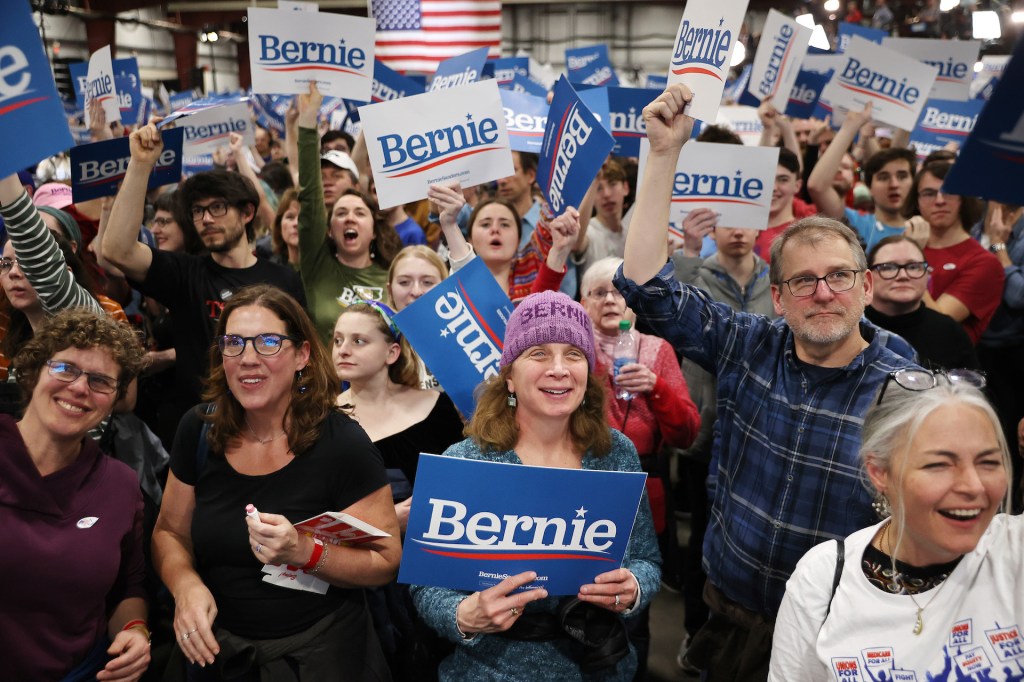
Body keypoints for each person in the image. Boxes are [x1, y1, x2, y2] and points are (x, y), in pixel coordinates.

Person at [616, 84, 918, 680]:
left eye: (839, 276)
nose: (823, 292)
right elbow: (647, 282)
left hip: (845, 626)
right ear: (776, 298)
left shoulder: (907, 388)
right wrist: (663, 157)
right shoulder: (749, 341)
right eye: (803, 282)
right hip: (732, 614)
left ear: (866, 286)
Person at [151, 284, 401, 679]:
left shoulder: (342, 444)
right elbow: (169, 532)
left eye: (268, 342)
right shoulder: (199, 430)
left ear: (302, 355)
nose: (248, 359)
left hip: (321, 656)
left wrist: (304, 552)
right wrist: (185, 586)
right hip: (216, 655)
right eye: (234, 343)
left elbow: (385, 562)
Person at [410, 290, 661, 680]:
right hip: (488, 671)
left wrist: (633, 588)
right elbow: (426, 587)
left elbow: (647, 560)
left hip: (599, 667)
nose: (558, 368)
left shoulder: (615, 454)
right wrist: (463, 615)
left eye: (573, 354)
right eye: (539, 353)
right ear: (509, 376)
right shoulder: (465, 461)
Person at [769, 373, 1017, 680]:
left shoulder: (1014, 550)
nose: (973, 486)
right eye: (938, 465)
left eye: (989, 462)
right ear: (879, 473)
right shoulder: (823, 581)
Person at [101, 121, 306, 421]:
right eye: (198, 211)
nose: (206, 219)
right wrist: (141, 165)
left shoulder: (283, 279)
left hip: (272, 421)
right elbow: (117, 249)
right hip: (200, 426)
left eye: (218, 208)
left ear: (247, 213)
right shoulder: (185, 273)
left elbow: (302, 355)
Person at [0, 308, 150, 681]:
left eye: (100, 381)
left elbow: (126, 588)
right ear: (33, 373)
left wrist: (135, 630)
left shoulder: (120, 485)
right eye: (65, 368)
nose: (80, 388)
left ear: (114, 401)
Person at [580, 256, 700, 677]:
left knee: (634, 603)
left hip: (645, 493)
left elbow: (687, 433)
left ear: (633, 302)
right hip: (581, 492)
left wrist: (657, 387)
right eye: (598, 292)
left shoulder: (658, 350)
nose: (610, 300)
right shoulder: (573, 352)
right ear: (582, 301)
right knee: (580, 597)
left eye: (618, 292)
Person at [333, 301, 465, 680]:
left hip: (428, 571)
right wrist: (390, 520)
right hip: (354, 580)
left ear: (392, 352)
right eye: (338, 339)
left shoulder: (434, 408)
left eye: (359, 340)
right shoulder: (322, 418)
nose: (343, 349)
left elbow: (457, 492)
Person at [296, 85, 402, 343]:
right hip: (326, 383)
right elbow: (310, 196)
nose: (349, 218)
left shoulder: (393, 277)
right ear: (330, 231)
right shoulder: (317, 264)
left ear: (375, 229)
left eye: (359, 213)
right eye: (341, 213)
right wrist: (308, 121)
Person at [906, 160, 1005, 344]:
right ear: (917, 202)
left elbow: (938, 323)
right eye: (929, 193)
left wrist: (912, 259)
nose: (940, 201)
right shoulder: (904, 245)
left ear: (963, 199)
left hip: (941, 366)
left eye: (949, 192)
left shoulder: (984, 263)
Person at [428, 183, 577, 304]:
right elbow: (466, 270)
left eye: (505, 225)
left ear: (519, 239)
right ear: (470, 239)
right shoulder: (457, 283)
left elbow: (538, 311)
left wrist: (560, 250)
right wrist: (449, 224)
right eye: (485, 224)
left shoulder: (531, 265)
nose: (495, 230)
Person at [808, 103, 920, 254]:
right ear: (869, 186)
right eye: (883, 177)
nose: (894, 184)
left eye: (902, 176)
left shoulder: (927, 228)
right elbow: (817, 187)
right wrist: (850, 126)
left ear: (914, 182)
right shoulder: (853, 223)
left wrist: (914, 107)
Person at [865, 235, 978, 370]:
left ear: (927, 275)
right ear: (868, 278)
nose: (903, 276)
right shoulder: (852, 327)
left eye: (913, 267)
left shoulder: (949, 331)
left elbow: (972, 387)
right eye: (888, 267)